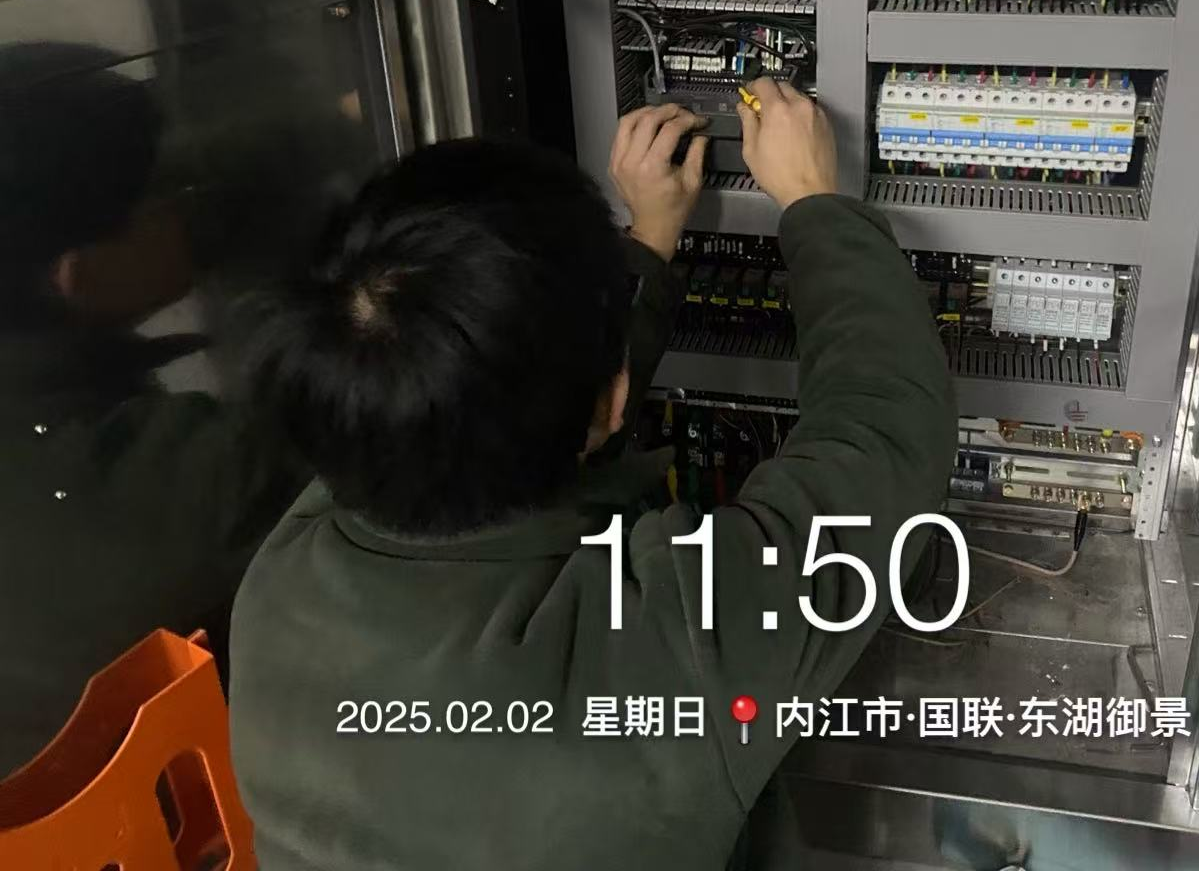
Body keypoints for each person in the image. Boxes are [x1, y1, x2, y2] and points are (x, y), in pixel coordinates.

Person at [227, 78, 956, 869]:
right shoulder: (665, 654)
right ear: (612, 400)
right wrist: (815, 201)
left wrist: (650, 240)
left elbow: (474, 403)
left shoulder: (280, 585)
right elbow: (887, 430)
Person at [0, 44, 307, 776]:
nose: (186, 201)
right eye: (167, 193)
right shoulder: (170, 488)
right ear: (79, 274)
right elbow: (413, 441)